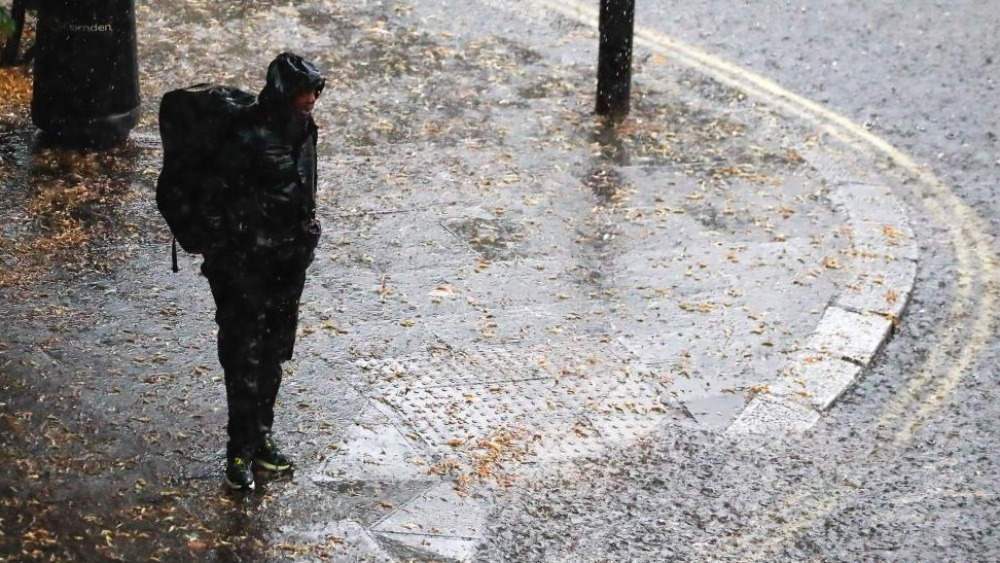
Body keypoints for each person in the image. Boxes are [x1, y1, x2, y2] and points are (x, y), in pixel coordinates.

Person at [201, 52, 325, 491]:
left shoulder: (305, 130)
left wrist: (304, 237)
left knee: (274, 354)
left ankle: (262, 438)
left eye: (315, 91)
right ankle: (239, 448)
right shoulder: (248, 133)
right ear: (285, 93)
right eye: (304, 92)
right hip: (246, 268)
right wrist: (230, 258)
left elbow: (304, 187)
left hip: (287, 264)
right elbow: (216, 198)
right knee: (243, 358)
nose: (312, 99)